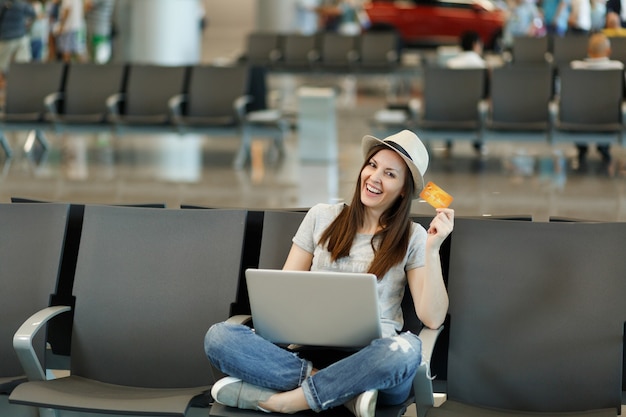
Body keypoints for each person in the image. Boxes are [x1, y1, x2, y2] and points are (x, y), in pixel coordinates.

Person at [204, 129, 453, 417]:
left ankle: (286, 401)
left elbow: (432, 317)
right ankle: (344, 394)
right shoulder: (321, 217)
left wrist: (433, 249)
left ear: (402, 191)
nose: (374, 177)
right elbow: (284, 293)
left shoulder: (413, 237)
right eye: (372, 166)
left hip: (373, 360)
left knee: (406, 350)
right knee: (219, 337)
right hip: (308, 353)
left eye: (389, 174)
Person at [570, 32, 623, 166]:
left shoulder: (575, 67)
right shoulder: (618, 68)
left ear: (588, 51)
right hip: (609, 120)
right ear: (609, 51)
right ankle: (604, 147)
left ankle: (582, 148)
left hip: (579, 121)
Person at [445, 31, 486, 156]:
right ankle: (479, 143)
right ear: (475, 45)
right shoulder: (482, 65)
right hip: (475, 112)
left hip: (451, 112)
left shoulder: (450, 64)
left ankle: (449, 142)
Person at [0, 0, 35, 88]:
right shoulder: (21, 4)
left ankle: (3, 88)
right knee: (22, 65)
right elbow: (33, 15)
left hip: (5, 37)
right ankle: (19, 88)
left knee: (2, 67)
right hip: (20, 37)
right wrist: (26, 27)